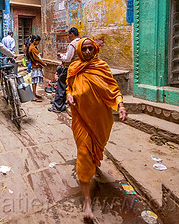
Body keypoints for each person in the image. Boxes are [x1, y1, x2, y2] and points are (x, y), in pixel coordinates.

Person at [66, 37, 127, 220]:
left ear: (95, 49)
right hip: (81, 119)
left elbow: (113, 89)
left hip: (101, 121)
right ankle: (87, 203)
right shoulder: (73, 68)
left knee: (95, 148)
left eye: (89, 48)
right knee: (84, 153)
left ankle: (95, 163)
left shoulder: (102, 67)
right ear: (78, 51)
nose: (86, 52)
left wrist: (121, 105)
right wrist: (69, 95)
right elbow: (69, 87)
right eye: (83, 49)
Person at [49, 27, 80, 113]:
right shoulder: (82, 42)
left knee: (61, 85)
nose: (69, 37)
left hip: (71, 67)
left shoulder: (73, 44)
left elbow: (68, 58)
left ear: (72, 34)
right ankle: (61, 102)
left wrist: (61, 56)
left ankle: (57, 106)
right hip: (79, 68)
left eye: (69, 35)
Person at [27, 35, 47, 102]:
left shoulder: (32, 47)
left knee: (35, 81)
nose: (38, 43)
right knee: (34, 81)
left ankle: (34, 94)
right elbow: (36, 58)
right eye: (38, 41)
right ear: (35, 40)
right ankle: (34, 96)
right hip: (35, 65)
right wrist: (43, 63)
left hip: (36, 65)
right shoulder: (32, 48)